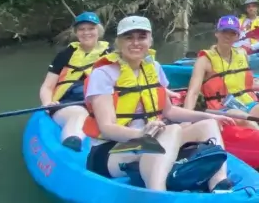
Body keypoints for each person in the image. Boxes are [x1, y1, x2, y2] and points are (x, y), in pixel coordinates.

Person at [83, 16, 237, 192]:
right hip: (111, 151)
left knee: (208, 124)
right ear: (118, 42)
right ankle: (158, 193)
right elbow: (107, 128)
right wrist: (141, 134)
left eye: (141, 37)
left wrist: (210, 115)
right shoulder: (103, 74)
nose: (135, 43)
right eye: (128, 37)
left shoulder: (153, 68)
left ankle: (219, 183)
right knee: (170, 130)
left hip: (151, 141)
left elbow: (170, 112)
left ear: (150, 40)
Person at [183, 15, 259, 129]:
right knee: (247, 121)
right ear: (217, 33)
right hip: (222, 108)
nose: (228, 36)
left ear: (237, 36)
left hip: (246, 102)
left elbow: (248, 86)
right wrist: (186, 120)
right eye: (224, 31)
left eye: (232, 33)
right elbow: (193, 93)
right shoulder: (204, 60)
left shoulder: (242, 54)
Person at [39, 12, 112, 151]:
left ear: (99, 30)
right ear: (76, 32)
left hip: (101, 101)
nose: (86, 33)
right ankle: (72, 142)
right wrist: (47, 103)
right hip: (70, 102)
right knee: (79, 114)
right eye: (82, 29)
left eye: (91, 28)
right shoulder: (65, 55)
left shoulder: (112, 55)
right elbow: (47, 86)